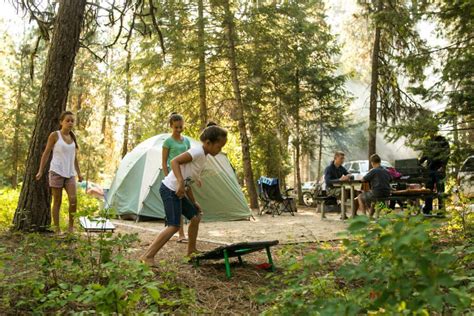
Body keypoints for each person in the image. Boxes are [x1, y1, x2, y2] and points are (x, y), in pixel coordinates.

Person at [140, 124, 228, 266]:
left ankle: (191, 251)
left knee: (195, 217)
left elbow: (188, 181)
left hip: (179, 191)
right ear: (208, 143)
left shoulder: (204, 157)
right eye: (219, 146)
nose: (220, 150)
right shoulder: (197, 152)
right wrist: (180, 182)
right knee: (174, 225)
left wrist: (193, 201)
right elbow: (174, 161)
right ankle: (147, 256)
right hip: (169, 189)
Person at [35, 111, 83, 233]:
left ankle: (71, 227)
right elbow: (46, 153)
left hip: (70, 173)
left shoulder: (73, 137)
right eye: (67, 120)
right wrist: (40, 170)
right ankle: (57, 229)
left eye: (72, 120)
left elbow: (74, 157)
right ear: (61, 122)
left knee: (73, 200)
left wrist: (79, 173)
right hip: (56, 172)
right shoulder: (55, 135)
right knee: (57, 201)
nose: (70, 123)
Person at [163, 113, 191, 243]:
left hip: (185, 176)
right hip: (173, 176)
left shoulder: (186, 141)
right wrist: (166, 176)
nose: (179, 130)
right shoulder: (168, 142)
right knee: (177, 203)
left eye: (181, 127)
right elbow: (164, 162)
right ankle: (181, 234)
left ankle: (184, 231)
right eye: (176, 127)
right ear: (171, 126)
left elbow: (191, 158)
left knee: (187, 202)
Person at [420, 135, 450, 214]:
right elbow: (425, 155)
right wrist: (419, 162)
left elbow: (446, 154)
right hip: (430, 169)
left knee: (440, 191)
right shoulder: (429, 142)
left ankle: (441, 210)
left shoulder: (443, 141)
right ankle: (428, 209)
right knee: (428, 190)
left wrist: (443, 166)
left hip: (439, 169)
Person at [324, 151, 351, 219]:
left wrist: (348, 176)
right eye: (341, 158)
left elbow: (347, 174)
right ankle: (343, 214)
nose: (342, 160)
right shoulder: (329, 168)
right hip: (330, 189)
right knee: (344, 192)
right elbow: (328, 181)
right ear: (335, 158)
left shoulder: (341, 168)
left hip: (340, 188)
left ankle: (354, 213)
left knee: (355, 192)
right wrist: (339, 180)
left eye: (343, 158)